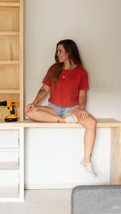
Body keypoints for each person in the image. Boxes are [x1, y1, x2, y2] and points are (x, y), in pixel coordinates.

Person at [25, 39, 97, 176]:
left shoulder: (81, 72)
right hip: (53, 109)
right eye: (57, 51)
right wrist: (34, 103)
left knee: (92, 123)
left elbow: (82, 94)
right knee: (30, 112)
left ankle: (87, 160)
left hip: (72, 109)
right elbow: (44, 89)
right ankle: (63, 120)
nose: (57, 53)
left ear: (69, 52)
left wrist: (82, 109)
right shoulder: (54, 69)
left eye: (60, 51)